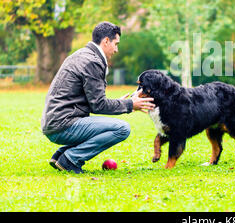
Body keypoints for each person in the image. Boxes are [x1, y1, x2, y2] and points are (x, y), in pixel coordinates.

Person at [41, 21, 155, 173]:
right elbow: (98, 105)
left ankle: (61, 155)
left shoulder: (81, 54)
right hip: (62, 125)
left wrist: (121, 103)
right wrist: (129, 105)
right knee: (122, 129)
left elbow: (91, 100)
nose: (116, 50)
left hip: (54, 123)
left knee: (109, 126)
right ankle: (70, 159)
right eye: (116, 44)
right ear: (106, 41)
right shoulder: (92, 62)